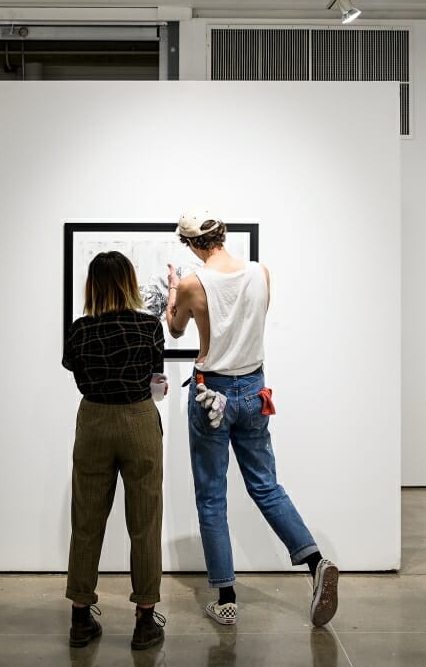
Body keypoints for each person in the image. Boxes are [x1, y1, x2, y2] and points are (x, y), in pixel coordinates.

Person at [164, 210, 339, 627]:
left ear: (192, 244)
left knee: (211, 495)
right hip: (253, 389)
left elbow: (174, 329)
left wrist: (173, 291)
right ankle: (314, 562)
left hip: (212, 393)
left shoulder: (192, 283)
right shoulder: (261, 273)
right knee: (266, 486)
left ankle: (225, 596)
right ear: (222, 236)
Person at [62, 251, 168, 651]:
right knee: (144, 523)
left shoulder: (79, 330)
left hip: (93, 421)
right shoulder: (148, 326)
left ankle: (80, 617)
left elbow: (74, 368)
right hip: (139, 419)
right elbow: (156, 377)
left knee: (86, 521)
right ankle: (144, 620)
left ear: (92, 286)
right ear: (129, 282)